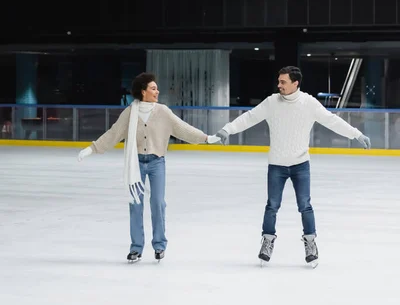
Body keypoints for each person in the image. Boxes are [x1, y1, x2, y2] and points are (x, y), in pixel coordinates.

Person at [215, 66, 371, 267]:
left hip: (300, 164)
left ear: (295, 83)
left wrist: (356, 134)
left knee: (305, 205)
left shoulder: (308, 103)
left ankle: (310, 243)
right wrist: (228, 129)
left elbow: (332, 121)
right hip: (276, 165)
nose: (279, 85)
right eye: (278, 81)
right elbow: (249, 117)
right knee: (272, 205)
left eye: (283, 82)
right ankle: (267, 242)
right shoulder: (272, 103)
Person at [78, 72, 220, 263]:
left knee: (158, 203)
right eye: (153, 88)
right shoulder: (130, 112)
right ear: (143, 91)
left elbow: (182, 128)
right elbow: (114, 133)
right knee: (135, 204)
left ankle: (159, 245)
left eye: (156, 88)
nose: (157, 91)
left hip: (156, 162)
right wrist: (92, 148)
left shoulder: (162, 111)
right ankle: (136, 248)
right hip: (135, 163)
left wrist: (205, 138)